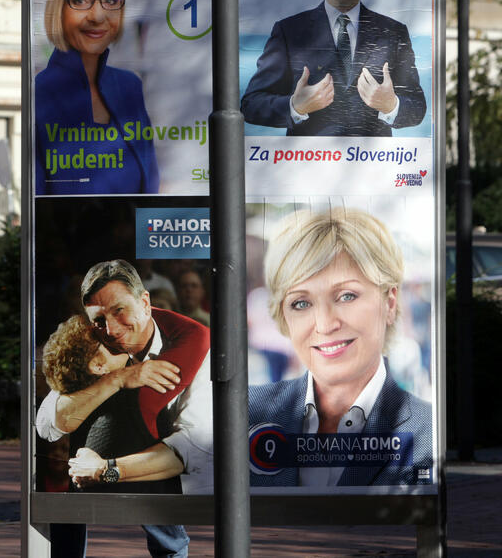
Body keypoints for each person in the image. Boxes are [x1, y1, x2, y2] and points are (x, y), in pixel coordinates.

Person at [36, 259, 213, 557]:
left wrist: (106, 470)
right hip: (83, 467)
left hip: (156, 470)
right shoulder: (92, 340)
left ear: (144, 302)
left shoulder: (195, 347)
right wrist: (118, 379)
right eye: (99, 319)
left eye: (120, 310)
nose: (112, 329)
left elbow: (190, 448)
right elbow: (48, 424)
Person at [248, 207, 432, 486]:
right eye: (301, 303)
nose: (324, 324)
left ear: (390, 303)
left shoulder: (425, 428)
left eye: (346, 296)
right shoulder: (248, 412)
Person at [241, 0, 426, 136]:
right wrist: (295, 106)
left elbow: (417, 107)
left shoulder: (393, 33)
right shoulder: (288, 32)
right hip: (306, 156)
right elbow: (251, 104)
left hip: (372, 157)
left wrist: (391, 105)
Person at [35, 0, 159, 194]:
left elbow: (150, 188)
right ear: (58, 6)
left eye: (110, 0)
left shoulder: (129, 86)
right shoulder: (39, 92)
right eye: (80, 0)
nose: (98, 16)